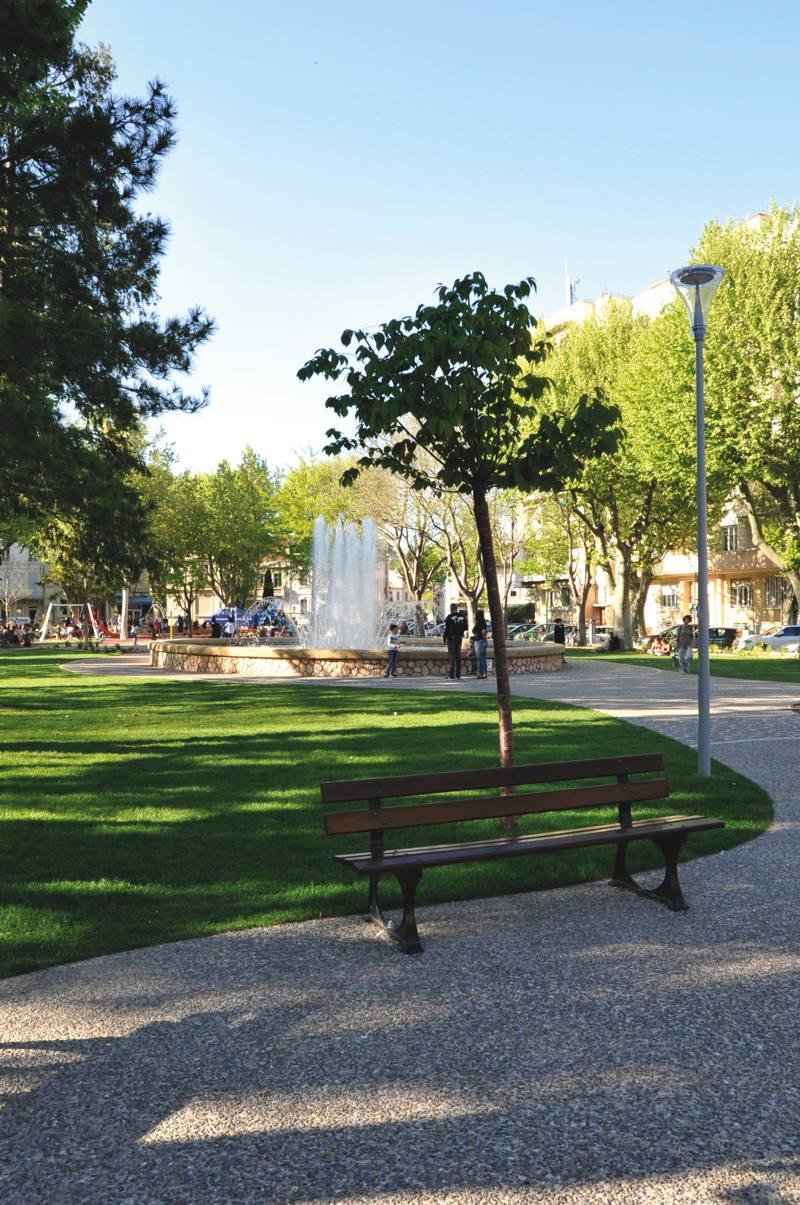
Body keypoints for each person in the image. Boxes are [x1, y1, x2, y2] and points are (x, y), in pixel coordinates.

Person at [443, 602, 468, 680]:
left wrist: (444, 638)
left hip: (451, 639)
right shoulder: (462, 617)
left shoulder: (449, 617)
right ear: (456, 608)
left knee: (451, 656)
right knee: (458, 656)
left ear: (451, 609)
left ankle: (451, 675)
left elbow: (446, 629)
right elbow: (466, 627)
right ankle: (458, 675)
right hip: (459, 638)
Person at [472, 609, 489, 679]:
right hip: (484, 641)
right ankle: (485, 673)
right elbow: (484, 631)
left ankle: (480, 674)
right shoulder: (484, 623)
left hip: (479, 641)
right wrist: (485, 637)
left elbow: (476, 631)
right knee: (483, 658)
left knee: (479, 659)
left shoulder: (478, 623)